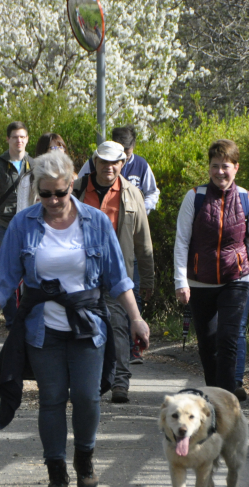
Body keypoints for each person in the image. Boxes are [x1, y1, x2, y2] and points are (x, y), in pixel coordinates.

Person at [0, 151, 149, 487]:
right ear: (38, 191)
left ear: (71, 182)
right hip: (42, 328)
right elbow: (3, 278)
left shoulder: (95, 221)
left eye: (60, 192)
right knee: (52, 399)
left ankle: (85, 459)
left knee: (88, 398)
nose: (54, 201)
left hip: (88, 323)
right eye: (45, 194)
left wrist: (136, 318)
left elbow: (118, 278)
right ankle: (56, 471)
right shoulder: (23, 223)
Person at [173, 139, 249, 402]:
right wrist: (181, 281)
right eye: (215, 166)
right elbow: (182, 241)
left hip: (236, 280)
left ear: (236, 168)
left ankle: (227, 400)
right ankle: (213, 394)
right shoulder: (195, 197)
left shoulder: (247, 199)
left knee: (228, 338)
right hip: (199, 282)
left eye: (225, 166)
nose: (220, 172)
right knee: (208, 343)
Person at [73, 141, 154, 404]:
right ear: (94, 162)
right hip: (82, 272)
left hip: (118, 272)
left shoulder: (132, 194)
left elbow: (143, 240)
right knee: (85, 327)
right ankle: (90, 381)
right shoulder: (76, 190)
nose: (109, 167)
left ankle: (120, 382)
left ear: (122, 164)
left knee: (119, 326)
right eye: (104, 162)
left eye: (114, 163)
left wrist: (148, 279)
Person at [0, 121, 34, 328]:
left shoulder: (35, 165)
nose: (19, 140)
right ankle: (12, 320)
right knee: (7, 272)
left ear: (27, 139)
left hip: (29, 226)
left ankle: (27, 316)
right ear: (8, 139)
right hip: (3, 226)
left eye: (22, 136)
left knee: (30, 271)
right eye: (15, 137)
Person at [16, 132, 68, 213]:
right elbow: (21, 213)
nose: (58, 151)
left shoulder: (70, 177)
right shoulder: (28, 179)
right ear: (43, 151)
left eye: (61, 147)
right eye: (53, 147)